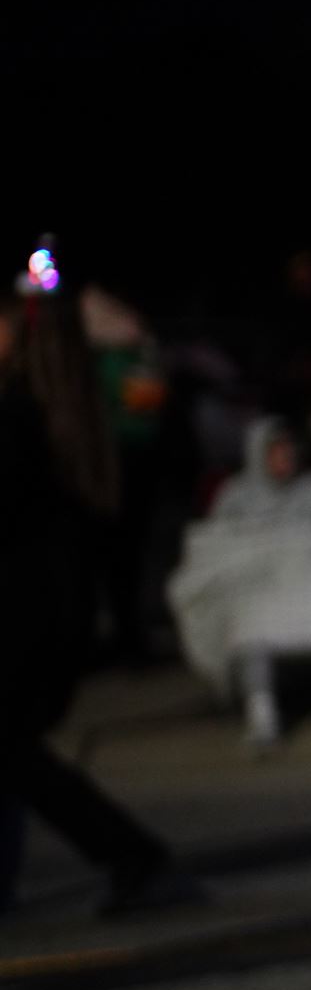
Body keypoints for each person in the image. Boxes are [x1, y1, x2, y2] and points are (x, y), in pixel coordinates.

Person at [0, 246, 204, 916]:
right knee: (17, 759)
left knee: (18, 759)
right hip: (50, 606)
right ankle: (132, 858)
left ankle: (137, 858)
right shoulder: (60, 403)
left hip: (26, 612)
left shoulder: (18, 414)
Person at [167, 415, 311, 749]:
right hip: (262, 588)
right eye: (276, 452)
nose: (285, 459)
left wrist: (308, 542)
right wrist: (265, 544)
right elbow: (218, 548)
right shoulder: (236, 495)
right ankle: (261, 710)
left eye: (288, 451)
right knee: (251, 625)